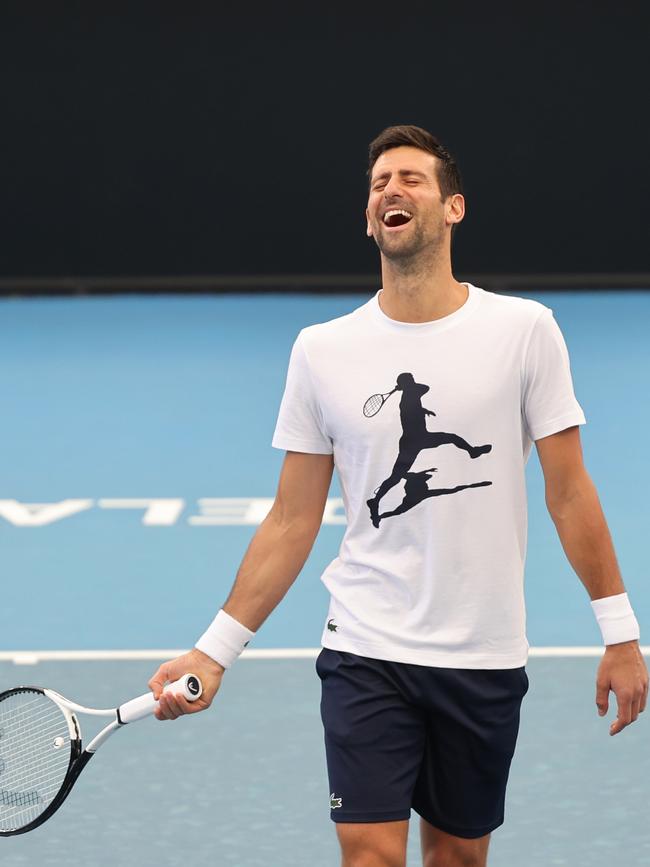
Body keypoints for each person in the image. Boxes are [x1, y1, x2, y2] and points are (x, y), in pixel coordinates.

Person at [147, 125, 648, 867]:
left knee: (456, 857)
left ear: (454, 209)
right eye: (380, 182)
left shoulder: (524, 331)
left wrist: (620, 632)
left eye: (411, 178)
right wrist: (214, 651)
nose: (391, 189)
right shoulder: (322, 350)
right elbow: (291, 519)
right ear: (369, 219)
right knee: (370, 855)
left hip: (482, 651)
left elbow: (569, 493)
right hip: (365, 645)